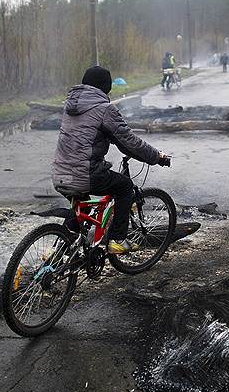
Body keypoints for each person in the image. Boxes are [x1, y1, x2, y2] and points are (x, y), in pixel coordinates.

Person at [52, 66, 170, 254]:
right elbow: (129, 142)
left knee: (82, 207)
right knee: (124, 187)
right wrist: (156, 156)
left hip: (59, 173)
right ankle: (117, 240)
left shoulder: (70, 106)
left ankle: (58, 250)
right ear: (106, 88)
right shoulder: (104, 109)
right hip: (85, 174)